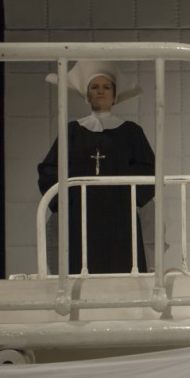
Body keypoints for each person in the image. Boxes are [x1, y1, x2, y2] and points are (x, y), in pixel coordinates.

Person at [38, 60, 155, 274]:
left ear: (114, 95)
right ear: (87, 94)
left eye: (106, 87)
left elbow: (149, 170)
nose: (101, 91)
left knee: (123, 269)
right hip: (81, 215)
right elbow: (49, 170)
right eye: (95, 87)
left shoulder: (131, 132)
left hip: (120, 215)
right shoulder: (72, 132)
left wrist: (124, 189)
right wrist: (71, 194)